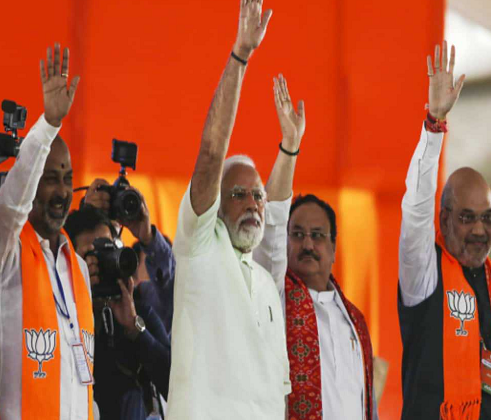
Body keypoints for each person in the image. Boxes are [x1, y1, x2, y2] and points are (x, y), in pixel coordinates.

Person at [166, 1, 297, 418]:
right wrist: (241, 56)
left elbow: (276, 211)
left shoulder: (265, 282)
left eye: (257, 196)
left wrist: (290, 148)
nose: (253, 204)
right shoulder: (200, 244)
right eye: (239, 194)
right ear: (218, 203)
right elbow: (210, 154)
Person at [0, 44, 92, 420]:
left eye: (68, 179)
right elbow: (13, 205)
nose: (62, 192)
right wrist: (49, 126)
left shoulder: (78, 268)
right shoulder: (4, 249)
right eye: (50, 179)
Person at [398, 41, 491, 419]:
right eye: (466, 217)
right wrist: (434, 124)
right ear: (443, 221)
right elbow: (416, 209)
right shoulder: (424, 271)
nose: (479, 230)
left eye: (487, 217)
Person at [258, 193, 377, 419]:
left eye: (317, 235)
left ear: (333, 247)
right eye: (297, 235)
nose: (308, 244)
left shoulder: (355, 321)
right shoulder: (274, 299)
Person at [65, 205, 172, 420]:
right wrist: (81, 299)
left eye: (108, 250)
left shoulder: (138, 310)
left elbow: (175, 386)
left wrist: (135, 329)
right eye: (91, 255)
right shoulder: (61, 315)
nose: (103, 261)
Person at [82, 180, 176, 332]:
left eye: (112, 249)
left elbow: (175, 294)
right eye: (95, 252)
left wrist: (149, 238)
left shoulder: (142, 302)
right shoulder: (67, 299)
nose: (106, 260)